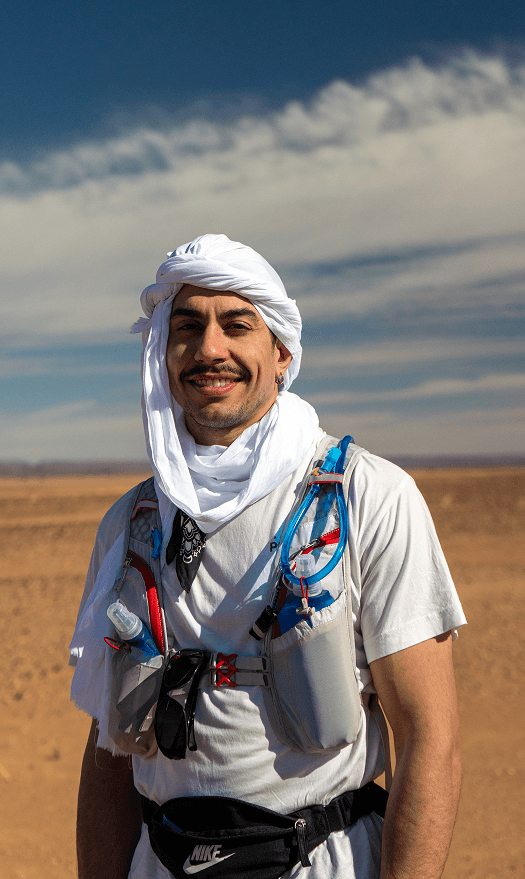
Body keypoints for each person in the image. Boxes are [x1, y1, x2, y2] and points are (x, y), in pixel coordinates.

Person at [70, 234, 465, 879]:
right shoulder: (132, 521)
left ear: (281, 353)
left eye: (237, 325)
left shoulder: (367, 496)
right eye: (187, 327)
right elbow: (108, 753)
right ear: (161, 352)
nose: (209, 349)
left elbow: (429, 739)